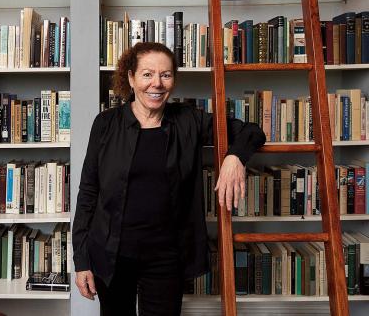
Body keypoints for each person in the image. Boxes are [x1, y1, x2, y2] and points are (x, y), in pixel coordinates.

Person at [72, 42, 266, 315]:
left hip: (166, 258)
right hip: (110, 254)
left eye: (166, 75)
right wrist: (81, 261)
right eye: (147, 74)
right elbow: (88, 193)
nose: (157, 84)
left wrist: (235, 158)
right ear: (131, 78)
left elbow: (252, 131)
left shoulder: (189, 120)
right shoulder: (105, 124)